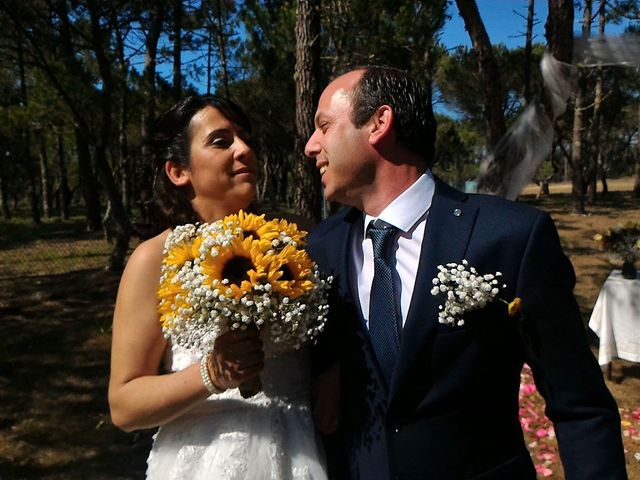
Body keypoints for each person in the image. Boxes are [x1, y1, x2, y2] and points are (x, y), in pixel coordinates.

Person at [305, 66, 628, 480]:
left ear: (379, 123)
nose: (311, 146)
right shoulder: (319, 249)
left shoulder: (510, 237)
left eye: (324, 126)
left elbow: (579, 405)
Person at [108, 95, 328, 479]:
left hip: (301, 455)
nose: (245, 150)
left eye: (245, 138)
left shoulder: (301, 238)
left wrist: (333, 373)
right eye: (221, 141)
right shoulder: (154, 260)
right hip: (203, 463)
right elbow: (124, 406)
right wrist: (211, 374)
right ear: (179, 171)